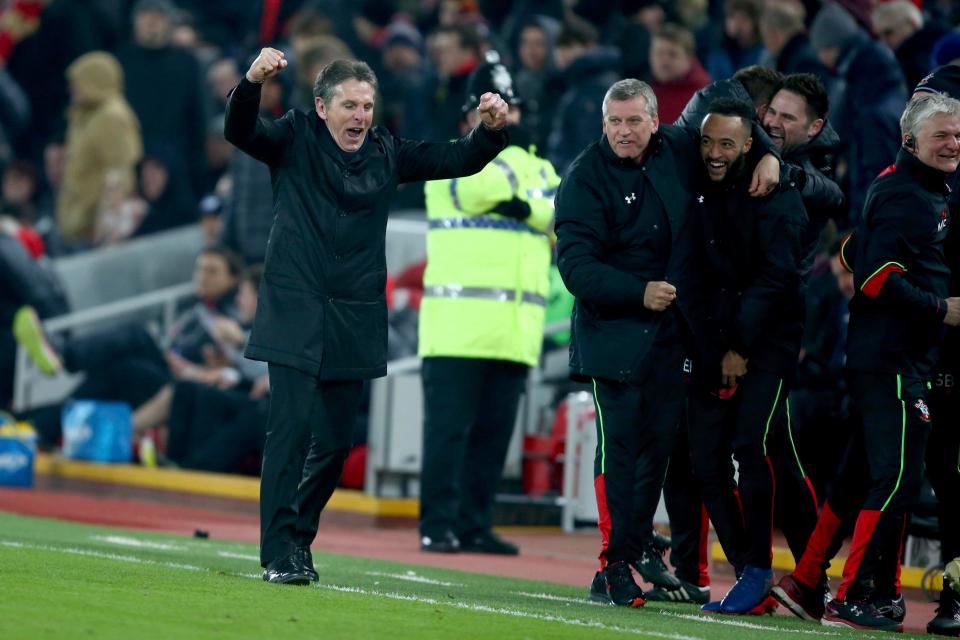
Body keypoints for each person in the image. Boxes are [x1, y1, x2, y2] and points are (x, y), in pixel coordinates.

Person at [224, 51, 509, 585]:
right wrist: (251, 82)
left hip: (354, 314)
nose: (360, 116)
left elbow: (454, 160)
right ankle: (278, 551)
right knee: (289, 432)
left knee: (333, 445)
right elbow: (241, 131)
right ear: (322, 107)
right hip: (295, 308)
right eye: (350, 105)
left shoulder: (388, 151)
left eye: (368, 106)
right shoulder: (293, 137)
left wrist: (489, 132)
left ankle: (300, 538)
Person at [555, 78, 780, 607]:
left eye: (634, 120)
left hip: (673, 337)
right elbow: (576, 266)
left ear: (657, 121)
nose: (624, 131)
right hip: (613, 339)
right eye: (615, 121)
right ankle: (614, 566)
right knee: (622, 451)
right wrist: (639, 292)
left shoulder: (679, 148)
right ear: (603, 123)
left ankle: (629, 556)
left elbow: (728, 104)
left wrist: (769, 155)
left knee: (654, 455)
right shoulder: (585, 178)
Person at [774, 93, 960, 632]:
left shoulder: (914, 189)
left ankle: (808, 580)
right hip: (895, 361)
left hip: (885, 358)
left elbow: (855, 252)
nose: (952, 144)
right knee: (896, 480)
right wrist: (940, 309)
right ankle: (856, 596)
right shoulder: (908, 194)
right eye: (941, 135)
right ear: (911, 140)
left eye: (957, 135)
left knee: (858, 475)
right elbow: (873, 275)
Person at [417, 52, 560, 555]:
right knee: (448, 435)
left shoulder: (538, 164)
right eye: (492, 109)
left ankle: (475, 523)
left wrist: (528, 205)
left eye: (510, 108)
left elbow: (557, 210)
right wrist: (532, 206)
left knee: (494, 440)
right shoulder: (454, 157)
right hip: (457, 328)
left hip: (516, 332)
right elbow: (481, 190)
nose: (506, 118)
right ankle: (437, 523)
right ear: (467, 116)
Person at [686, 98, 807, 615]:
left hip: (767, 345)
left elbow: (775, 279)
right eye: (708, 141)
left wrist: (738, 347)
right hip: (714, 341)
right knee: (706, 459)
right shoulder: (701, 184)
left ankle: (775, 571)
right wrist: (718, 346)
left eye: (727, 144)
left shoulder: (776, 195)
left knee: (752, 445)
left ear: (750, 144)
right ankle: (752, 569)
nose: (715, 153)